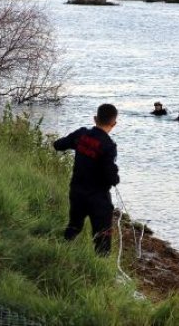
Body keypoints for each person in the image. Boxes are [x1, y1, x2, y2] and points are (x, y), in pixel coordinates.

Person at [53, 104, 120, 256]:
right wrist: (115, 176)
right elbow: (111, 177)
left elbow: (58, 145)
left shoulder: (81, 134)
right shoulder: (109, 146)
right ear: (114, 124)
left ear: (95, 118)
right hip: (98, 198)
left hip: (77, 192)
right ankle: (101, 266)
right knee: (103, 236)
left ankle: (62, 252)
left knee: (74, 226)